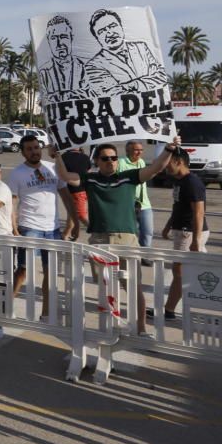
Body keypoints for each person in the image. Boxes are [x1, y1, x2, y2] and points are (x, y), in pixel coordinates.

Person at [53, 136, 180, 336]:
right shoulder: (90, 178)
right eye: (105, 158)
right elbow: (65, 175)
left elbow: (156, 167)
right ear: (97, 161)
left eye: (113, 158)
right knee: (105, 289)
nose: (110, 161)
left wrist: (169, 149)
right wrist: (57, 156)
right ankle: (108, 328)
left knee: (133, 287)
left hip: (127, 240)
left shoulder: (129, 176)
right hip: (100, 239)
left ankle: (141, 328)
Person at [6, 135, 74, 318]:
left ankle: (46, 314)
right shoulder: (17, 173)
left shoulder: (52, 168)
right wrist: (14, 228)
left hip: (52, 229)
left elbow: (66, 196)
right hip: (29, 228)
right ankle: (6, 308)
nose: (34, 151)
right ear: (22, 152)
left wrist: (71, 223)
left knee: (50, 273)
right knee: (23, 270)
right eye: (29, 148)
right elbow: (12, 202)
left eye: (36, 147)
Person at [157, 148, 209, 319]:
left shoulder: (192, 182)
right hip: (182, 231)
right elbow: (178, 206)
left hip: (189, 233)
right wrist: (168, 225)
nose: (165, 166)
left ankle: (169, 310)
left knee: (181, 271)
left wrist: (196, 239)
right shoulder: (179, 181)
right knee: (187, 271)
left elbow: (198, 213)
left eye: (168, 162)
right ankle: (169, 309)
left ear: (179, 161)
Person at [83, 9, 168, 97]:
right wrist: (149, 80)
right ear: (97, 38)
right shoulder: (93, 66)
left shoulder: (142, 47)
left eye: (112, 26)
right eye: (102, 31)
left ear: (121, 27)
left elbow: (161, 77)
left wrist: (133, 85)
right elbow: (112, 95)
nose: (109, 33)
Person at [38, 16, 88, 103]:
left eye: (63, 37)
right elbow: (43, 100)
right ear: (48, 41)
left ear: (71, 38)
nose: (59, 43)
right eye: (54, 38)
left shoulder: (84, 67)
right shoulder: (43, 72)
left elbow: (90, 94)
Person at [118, 140, 153, 252]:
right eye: (136, 150)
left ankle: (145, 255)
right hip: (128, 205)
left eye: (141, 150)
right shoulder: (120, 163)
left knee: (148, 232)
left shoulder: (142, 162)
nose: (139, 153)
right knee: (132, 233)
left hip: (144, 204)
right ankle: (132, 255)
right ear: (128, 151)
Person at [60, 147, 91, 241]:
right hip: (83, 189)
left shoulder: (63, 157)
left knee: (80, 215)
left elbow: (60, 173)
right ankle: (65, 234)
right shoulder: (85, 157)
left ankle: (96, 231)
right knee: (72, 214)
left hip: (72, 190)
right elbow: (88, 173)